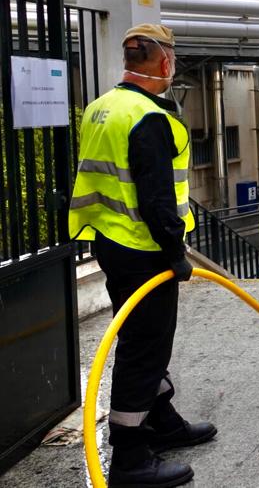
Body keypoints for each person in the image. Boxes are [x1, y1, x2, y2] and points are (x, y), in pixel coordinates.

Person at [69, 24, 216, 487]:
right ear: (165, 61)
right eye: (173, 58)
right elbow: (156, 198)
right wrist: (175, 251)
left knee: (142, 339)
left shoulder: (101, 107)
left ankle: (160, 420)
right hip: (144, 247)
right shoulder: (149, 117)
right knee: (144, 347)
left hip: (110, 241)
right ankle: (131, 456)